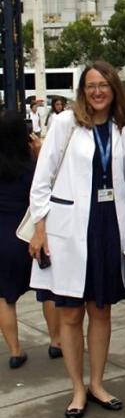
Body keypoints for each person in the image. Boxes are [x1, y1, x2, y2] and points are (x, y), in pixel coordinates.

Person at [28, 61, 125, 418]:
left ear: (114, 88)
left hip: (108, 227)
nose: (98, 91)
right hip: (70, 227)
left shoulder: (124, 128)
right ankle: (77, 388)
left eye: (104, 84)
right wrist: (39, 228)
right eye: (91, 86)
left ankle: (98, 383)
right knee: (70, 313)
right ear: (82, 91)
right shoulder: (64, 124)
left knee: (100, 310)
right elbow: (42, 179)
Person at [0, 111, 41, 369]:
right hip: (30, 235)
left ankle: (15, 351)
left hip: (2, 237)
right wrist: (38, 152)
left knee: (5, 298)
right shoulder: (30, 165)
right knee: (47, 293)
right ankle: (57, 341)